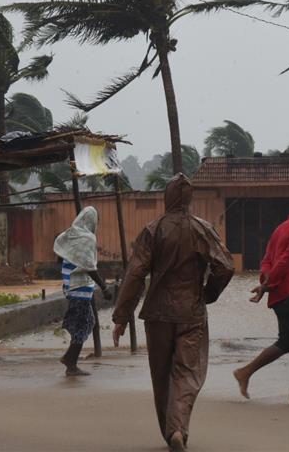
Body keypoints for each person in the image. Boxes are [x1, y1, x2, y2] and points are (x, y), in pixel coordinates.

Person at [112, 174, 234, 452]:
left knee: (162, 374)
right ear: (189, 199)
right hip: (191, 313)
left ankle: (171, 433)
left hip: (157, 314)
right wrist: (208, 293)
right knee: (187, 373)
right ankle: (178, 429)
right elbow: (225, 266)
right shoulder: (202, 228)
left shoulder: (152, 231)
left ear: (167, 198)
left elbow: (134, 275)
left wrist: (121, 316)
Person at [233, 195, 289, 407]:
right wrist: (267, 285)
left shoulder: (282, 227)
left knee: (286, 341)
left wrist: (266, 283)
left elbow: (267, 259)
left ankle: (244, 372)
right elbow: (285, 261)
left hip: (280, 294)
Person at [54, 206, 112, 376]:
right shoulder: (87, 238)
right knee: (86, 323)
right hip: (80, 288)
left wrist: (70, 267)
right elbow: (89, 267)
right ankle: (70, 362)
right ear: (92, 221)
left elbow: (59, 254)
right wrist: (104, 287)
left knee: (85, 322)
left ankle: (70, 358)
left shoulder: (68, 234)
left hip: (70, 286)